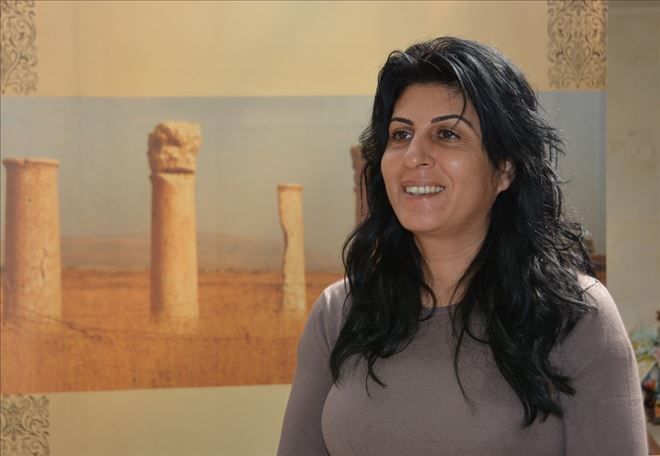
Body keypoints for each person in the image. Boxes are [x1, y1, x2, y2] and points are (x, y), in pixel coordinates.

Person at [278, 37, 647, 455]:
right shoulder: (339, 312)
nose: (414, 155)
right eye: (401, 134)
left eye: (447, 134)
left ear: (504, 168)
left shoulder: (575, 316)